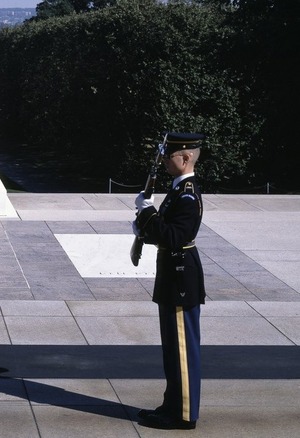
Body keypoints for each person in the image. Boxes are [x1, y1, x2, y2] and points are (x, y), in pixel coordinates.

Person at [133, 132, 206, 430]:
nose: (163, 160)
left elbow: (175, 236)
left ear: (186, 157)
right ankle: (172, 404)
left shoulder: (188, 194)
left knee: (183, 351)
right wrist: (144, 221)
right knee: (172, 350)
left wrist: (147, 210)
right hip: (172, 277)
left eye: (169, 156)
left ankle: (184, 415)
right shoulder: (178, 189)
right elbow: (161, 231)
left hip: (180, 279)